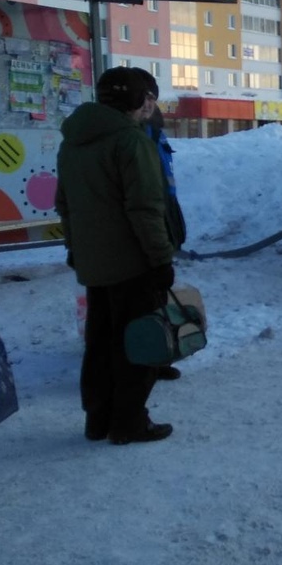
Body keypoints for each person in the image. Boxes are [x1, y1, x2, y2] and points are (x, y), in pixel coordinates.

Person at [55, 67, 176, 444]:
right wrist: (160, 259)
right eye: (147, 98)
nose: (150, 106)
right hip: (131, 261)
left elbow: (65, 206)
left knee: (100, 342)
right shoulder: (130, 142)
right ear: (138, 101)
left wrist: (75, 249)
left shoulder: (73, 141)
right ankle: (129, 423)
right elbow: (145, 208)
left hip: (94, 262)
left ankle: (98, 419)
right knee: (137, 342)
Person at [142, 87, 187, 382]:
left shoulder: (155, 131)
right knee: (142, 292)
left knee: (156, 292)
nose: (148, 104)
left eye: (151, 99)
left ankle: (158, 354)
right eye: (142, 98)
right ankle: (144, 359)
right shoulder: (131, 136)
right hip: (147, 212)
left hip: (164, 207)